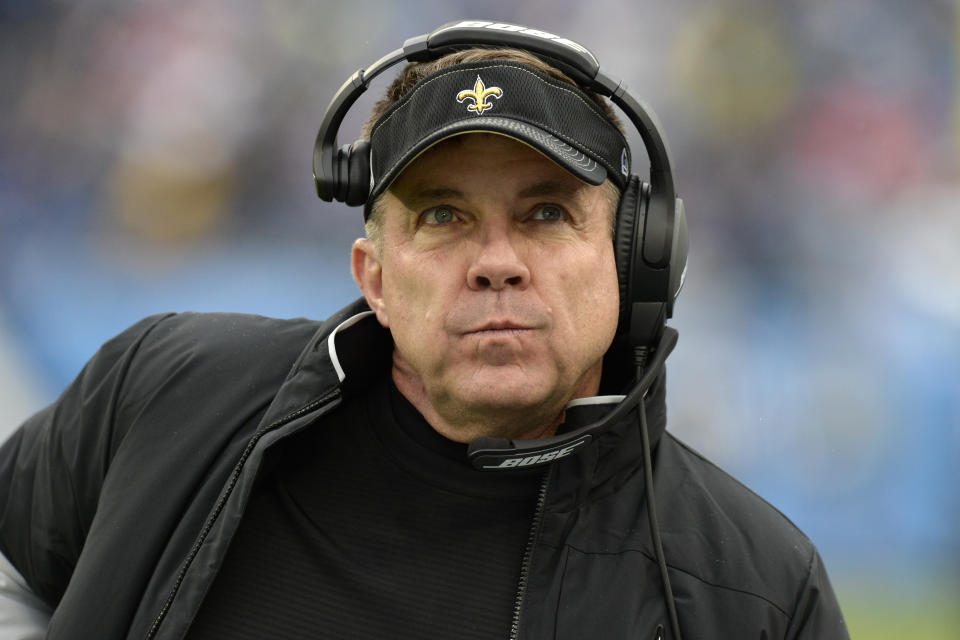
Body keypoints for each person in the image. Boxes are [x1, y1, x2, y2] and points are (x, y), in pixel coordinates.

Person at [0, 20, 849, 640]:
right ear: (374, 276)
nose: (496, 262)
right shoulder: (167, 393)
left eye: (547, 212)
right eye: (443, 215)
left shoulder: (755, 594)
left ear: (636, 259)